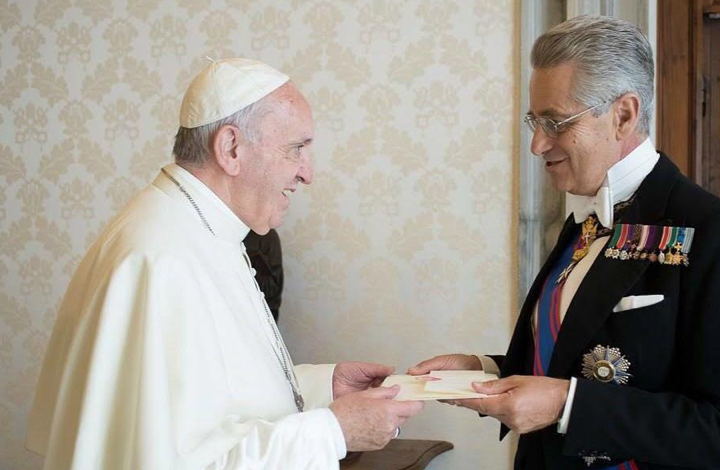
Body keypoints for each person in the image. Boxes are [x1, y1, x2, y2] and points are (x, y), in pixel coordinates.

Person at [410, 15, 720, 470]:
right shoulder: (585, 219)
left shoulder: (717, 231)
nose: (537, 144)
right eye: (534, 121)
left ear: (623, 115)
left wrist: (566, 404)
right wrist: (481, 372)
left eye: (556, 122)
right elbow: (574, 357)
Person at [26, 58, 423, 470]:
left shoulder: (199, 228)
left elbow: (216, 398)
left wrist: (325, 389)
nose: (308, 173)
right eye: (296, 149)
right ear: (231, 148)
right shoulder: (163, 261)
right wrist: (334, 432)